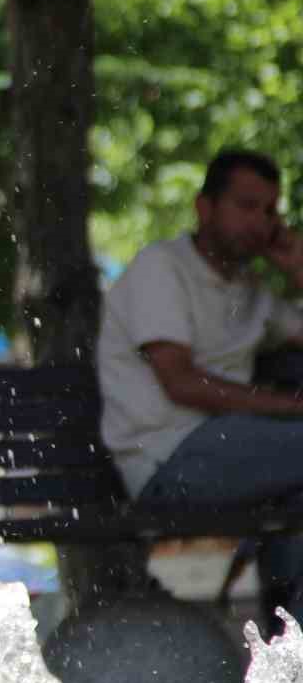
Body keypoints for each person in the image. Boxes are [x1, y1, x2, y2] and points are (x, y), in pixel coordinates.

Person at [98, 148, 303, 633]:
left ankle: (289, 664)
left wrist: (296, 265)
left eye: (269, 211)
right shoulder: (160, 268)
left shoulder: (251, 291)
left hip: (237, 459)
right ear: (204, 208)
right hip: (167, 464)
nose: (260, 222)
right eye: (246, 206)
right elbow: (181, 382)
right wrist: (292, 407)